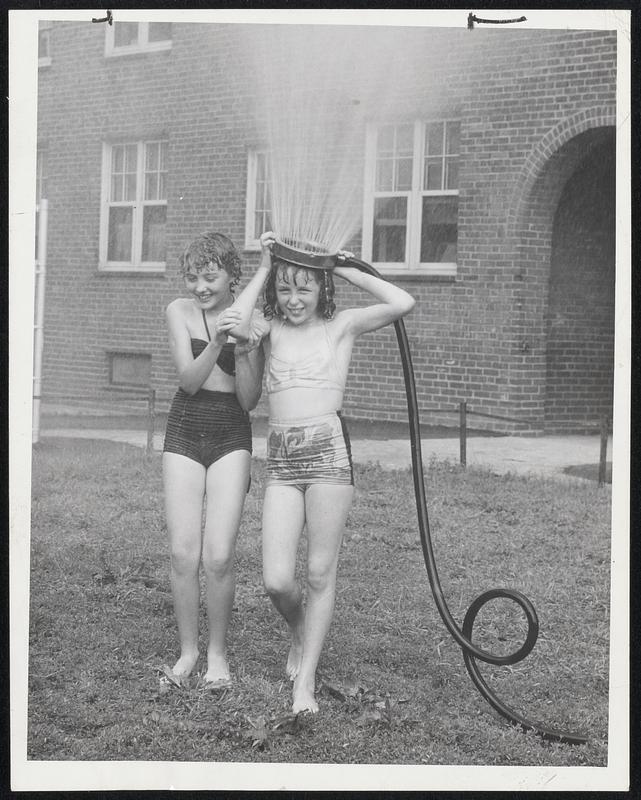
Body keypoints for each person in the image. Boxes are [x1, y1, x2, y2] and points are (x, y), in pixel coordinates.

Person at [232, 231, 415, 713]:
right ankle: (299, 630)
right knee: (276, 580)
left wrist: (338, 265)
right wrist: (267, 264)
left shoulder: (341, 326)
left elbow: (402, 300)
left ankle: (305, 682)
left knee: (318, 570)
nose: (294, 300)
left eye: (305, 289)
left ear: (322, 290)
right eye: (286, 289)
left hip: (329, 453)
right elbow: (236, 326)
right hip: (283, 458)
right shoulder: (269, 327)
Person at [162, 232, 264, 688]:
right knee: (184, 553)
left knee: (219, 556)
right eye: (192, 277)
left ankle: (217, 656)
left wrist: (244, 345)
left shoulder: (253, 318)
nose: (200, 287)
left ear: (231, 275)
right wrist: (221, 336)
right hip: (185, 426)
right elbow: (188, 381)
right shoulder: (179, 312)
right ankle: (188, 653)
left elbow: (248, 400)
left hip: (230, 430)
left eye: (210, 276)